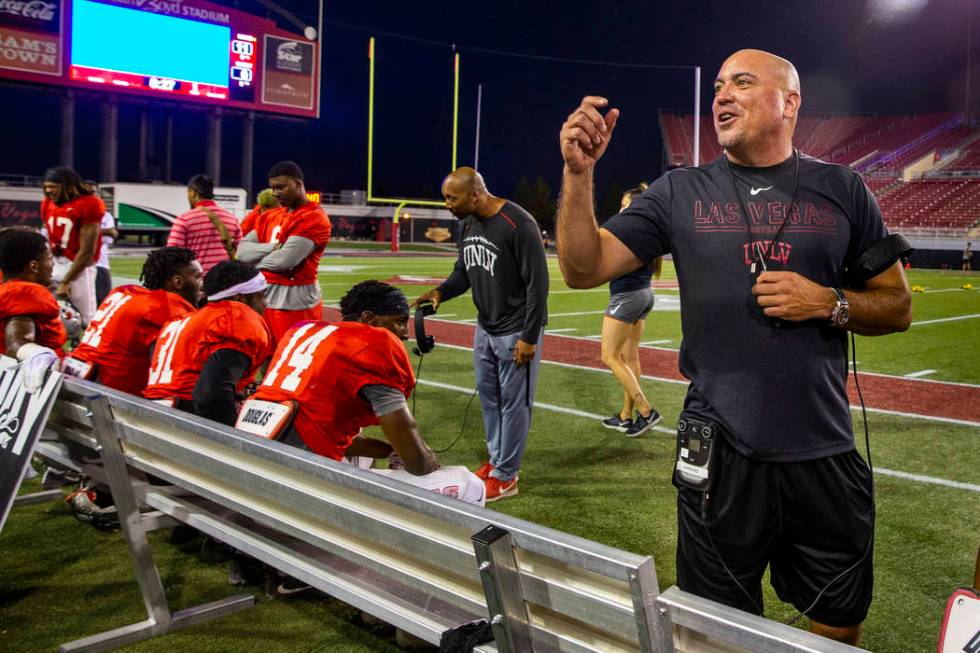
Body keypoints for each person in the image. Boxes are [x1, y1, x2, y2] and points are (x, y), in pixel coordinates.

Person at [556, 49, 912, 645]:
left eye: (742, 83)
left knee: (838, 623)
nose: (721, 95)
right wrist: (578, 173)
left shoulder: (842, 188)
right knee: (715, 629)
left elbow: (898, 305)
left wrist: (828, 302)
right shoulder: (679, 191)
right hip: (718, 452)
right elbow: (582, 268)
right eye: (719, 85)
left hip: (822, 447)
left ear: (789, 102)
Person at [247, 280, 484, 505]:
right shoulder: (372, 344)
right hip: (298, 487)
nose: (404, 333)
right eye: (400, 321)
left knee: (359, 445)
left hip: (253, 468)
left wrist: (390, 450)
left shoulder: (301, 332)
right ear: (368, 318)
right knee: (469, 485)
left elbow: (320, 431)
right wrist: (428, 459)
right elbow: (418, 464)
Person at [415, 167, 549, 502]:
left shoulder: (519, 223)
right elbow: (464, 270)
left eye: (451, 197)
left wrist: (529, 336)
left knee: (514, 405)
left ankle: (506, 477)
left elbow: (538, 285)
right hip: (485, 326)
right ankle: (496, 463)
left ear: (475, 193)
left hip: (516, 329)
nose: (447, 204)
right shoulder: (469, 222)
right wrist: (441, 292)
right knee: (490, 400)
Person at [144, 260, 272, 426]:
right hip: (186, 425)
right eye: (261, 295)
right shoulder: (234, 317)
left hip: (153, 419)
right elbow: (210, 398)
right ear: (240, 297)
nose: (266, 303)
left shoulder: (181, 321)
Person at [64, 247, 203, 395]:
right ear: (178, 282)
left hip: (76, 378)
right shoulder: (166, 307)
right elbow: (171, 374)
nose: (203, 283)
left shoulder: (124, 291)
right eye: (198, 277)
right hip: (108, 394)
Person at [237, 161, 331, 344]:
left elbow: (286, 260)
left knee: (293, 355)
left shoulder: (313, 217)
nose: (275, 193)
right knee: (263, 353)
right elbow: (241, 252)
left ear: (298, 184)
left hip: (295, 299)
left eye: (281, 187)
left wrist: (252, 264)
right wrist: (272, 247)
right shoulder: (270, 216)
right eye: (273, 188)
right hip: (263, 295)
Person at [599, 184, 663, 437]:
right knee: (629, 358)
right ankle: (626, 416)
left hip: (628, 296)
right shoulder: (648, 230)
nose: (621, 209)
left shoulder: (631, 228)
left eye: (625, 204)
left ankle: (646, 411)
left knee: (610, 357)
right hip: (644, 294)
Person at [0, 228, 66, 392]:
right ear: (34, 266)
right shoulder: (25, 292)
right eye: (50, 258)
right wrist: (35, 353)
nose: (53, 264)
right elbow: (16, 342)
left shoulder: (6, 288)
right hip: (32, 387)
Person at [41, 166, 104, 325]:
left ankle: (87, 348)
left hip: (79, 266)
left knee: (86, 318)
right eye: (46, 187)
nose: (49, 191)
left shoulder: (89, 204)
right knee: (52, 314)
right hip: (54, 262)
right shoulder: (47, 204)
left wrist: (66, 281)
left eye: (54, 187)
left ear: (68, 186)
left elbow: (87, 250)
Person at [165, 174, 241, 274]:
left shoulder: (184, 219)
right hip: (224, 282)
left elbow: (172, 256)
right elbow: (239, 251)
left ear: (192, 193)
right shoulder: (231, 219)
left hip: (196, 284)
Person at [82, 180, 119, 305]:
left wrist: (86, 232)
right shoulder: (75, 214)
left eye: (93, 192)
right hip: (80, 266)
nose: (90, 196)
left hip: (101, 265)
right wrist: (105, 231)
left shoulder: (106, 215)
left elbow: (109, 239)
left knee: (103, 304)